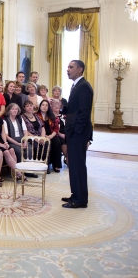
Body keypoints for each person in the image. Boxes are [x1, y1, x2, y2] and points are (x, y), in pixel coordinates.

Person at [62, 60, 93, 209]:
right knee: (73, 164)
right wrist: (62, 109)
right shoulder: (76, 85)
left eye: (71, 67)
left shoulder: (84, 87)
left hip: (78, 133)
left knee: (78, 165)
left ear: (80, 69)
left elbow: (85, 112)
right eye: (68, 67)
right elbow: (74, 109)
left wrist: (76, 131)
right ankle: (76, 194)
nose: (68, 70)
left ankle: (81, 199)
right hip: (73, 131)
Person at [0, 101, 23, 180]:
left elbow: (3, 132)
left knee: (12, 150)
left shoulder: (0, 119)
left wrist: (5, 142)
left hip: (0, 140)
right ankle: (19, 173)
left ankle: (15, 173)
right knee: (6, 151)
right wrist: (0, 144)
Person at [51, 100, 68, 165]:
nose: (56, 106)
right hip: (56, 134)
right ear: (51, 106)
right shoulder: (50, 116)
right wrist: (60, 134)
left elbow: (68, 126)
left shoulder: (64, 116)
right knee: (62, 141)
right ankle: (69, 160)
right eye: (54, 105)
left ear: (61, 106)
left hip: (65, 133)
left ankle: (70, 160)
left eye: (58, 104)